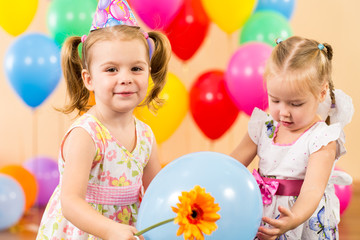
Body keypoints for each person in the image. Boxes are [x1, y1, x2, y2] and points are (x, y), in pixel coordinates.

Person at [36, 1, 171, 240]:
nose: (126, 78)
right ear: (89, 79)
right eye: (111, 70)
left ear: (148, 71)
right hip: (85, 231)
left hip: (128, 230)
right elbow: (70, 201)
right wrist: (109, 229)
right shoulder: (86, 134)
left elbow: (156, 193)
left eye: (136, 69)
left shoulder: (146, 136)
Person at [231, 36, 354, 240]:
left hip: (300, 219)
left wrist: (293, 218)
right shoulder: (264, 126)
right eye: (275, 100)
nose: (284, 112)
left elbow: (313, 189)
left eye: (295, 104)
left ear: (322, 93)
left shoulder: (322, 138)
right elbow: (232, 163)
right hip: (263, 214)